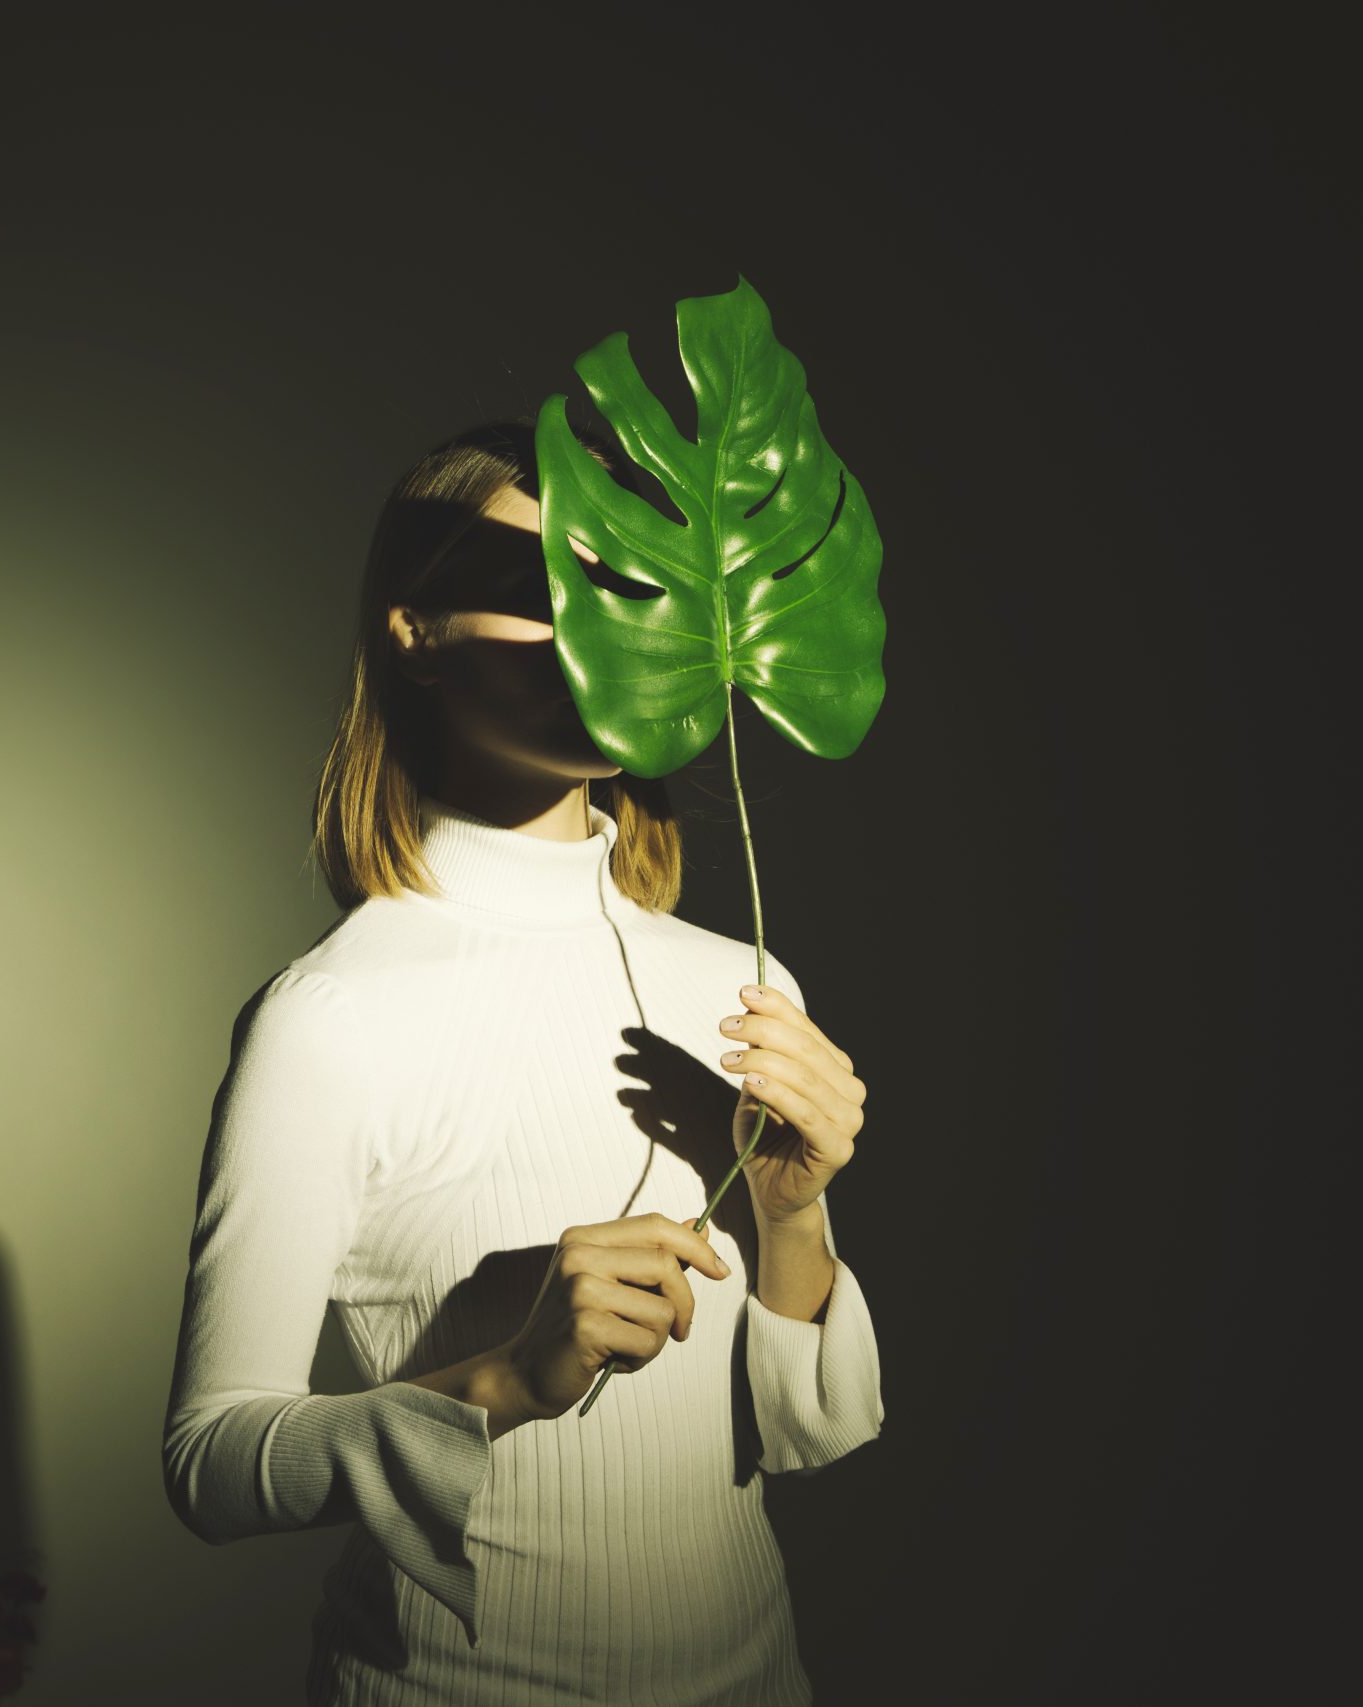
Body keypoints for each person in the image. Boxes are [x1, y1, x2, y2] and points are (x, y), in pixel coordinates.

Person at [160, 416, 886, 1704]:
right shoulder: (331, 1017)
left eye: (630, 590)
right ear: (413, 628)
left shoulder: (744, 983)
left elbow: (800, 1435)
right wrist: (500, 1376)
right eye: (543, 589)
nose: (600, 633)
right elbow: (212, 1465)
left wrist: (792, 1210)